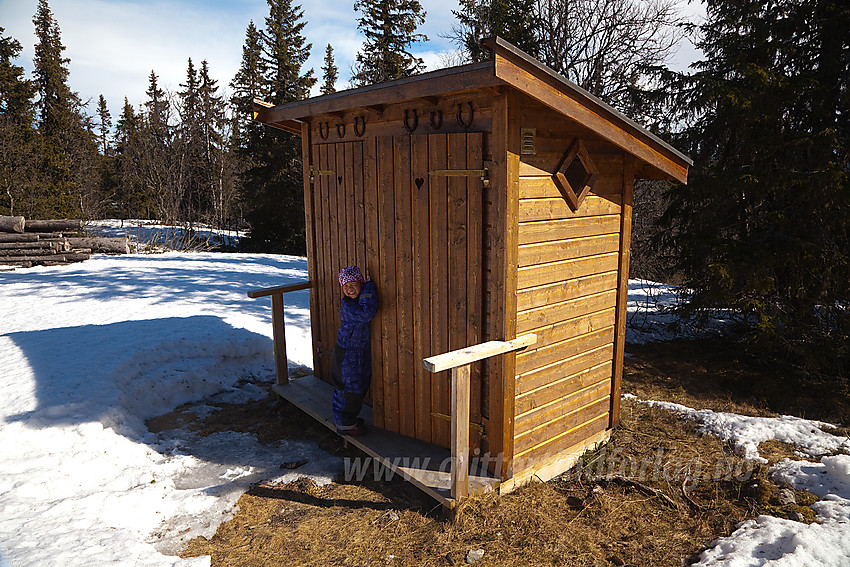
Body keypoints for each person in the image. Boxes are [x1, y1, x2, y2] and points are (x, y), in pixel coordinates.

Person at [332, 266, 378, 436]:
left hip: (354, 351)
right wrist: (368, 288)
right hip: (347, 353)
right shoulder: (349, 306)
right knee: (349, 389)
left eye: (353, 284)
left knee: (356, 386)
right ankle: (345, 424)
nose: (349, 289)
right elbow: (367, 312)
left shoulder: (354, 303)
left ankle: (349, 419)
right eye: (346, 286)